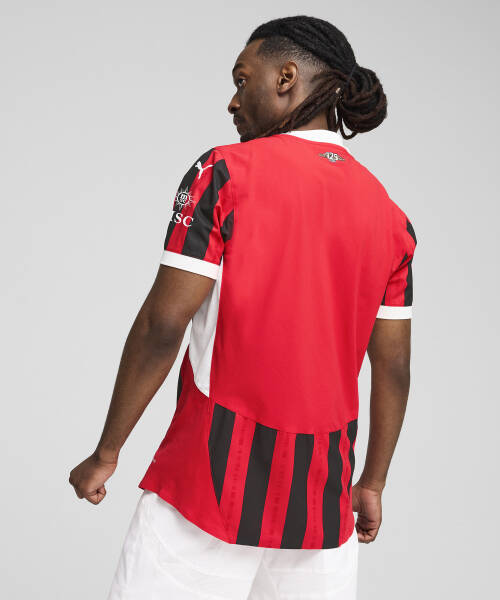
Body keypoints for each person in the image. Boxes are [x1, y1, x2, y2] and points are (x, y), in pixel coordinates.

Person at [68, 14, 417, 600]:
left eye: (241, 80)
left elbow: (163, 324)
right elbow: (395, 368)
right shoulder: (392, 219)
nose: (232, 101)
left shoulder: (224, 172)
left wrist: (107, 452)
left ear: (286, 77)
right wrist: (372, 483)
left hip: (205, 492)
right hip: (322, 509)